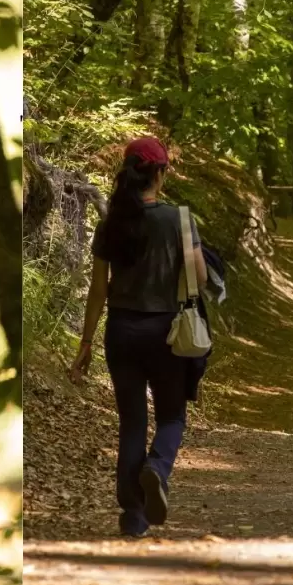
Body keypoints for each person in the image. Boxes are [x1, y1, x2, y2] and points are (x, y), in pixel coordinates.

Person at [69, 136, 207, 538]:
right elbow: (198, 277)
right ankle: (156, 468)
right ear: (160, 173)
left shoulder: (112, 221)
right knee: (171, 416)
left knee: (131, 423)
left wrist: (86, 343)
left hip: (121, 332)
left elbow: (98, 291)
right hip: (167, 333)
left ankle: (134, 516)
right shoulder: (178, 219)